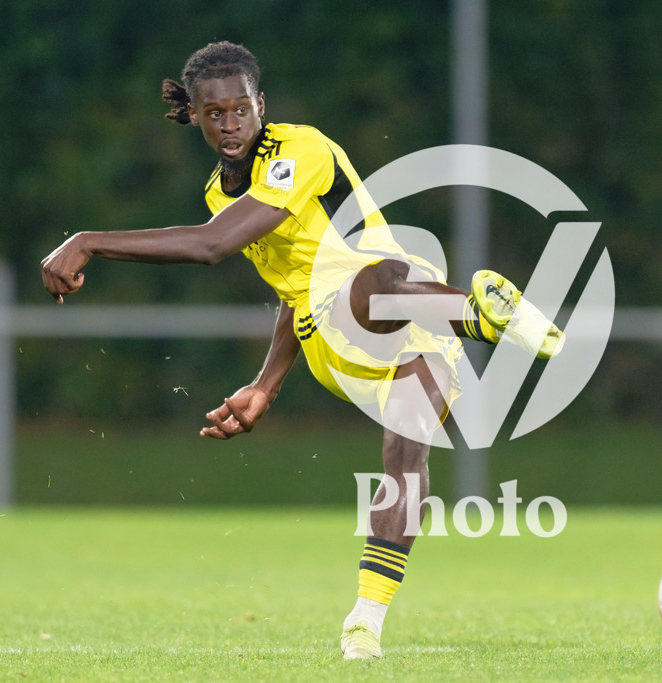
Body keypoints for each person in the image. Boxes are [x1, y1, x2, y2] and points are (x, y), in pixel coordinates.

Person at [40, 41, 564, 660]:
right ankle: (476, 312)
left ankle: (364, 623)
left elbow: (213, 246)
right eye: (216, 113)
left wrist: (88, 240)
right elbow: (290, 284)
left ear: (262, 104)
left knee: (406, 447)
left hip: (410, 311)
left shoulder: (300, 150)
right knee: (368, 281)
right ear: (197, 118)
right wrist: (267, 382)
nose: (231, 123)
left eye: (242, 108)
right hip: (338, 334)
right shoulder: (222, 194)